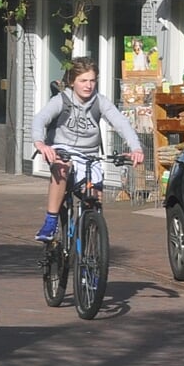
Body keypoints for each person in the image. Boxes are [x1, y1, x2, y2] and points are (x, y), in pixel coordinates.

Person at [32, 58, 144, 241]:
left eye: (92, 80)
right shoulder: (61, 100)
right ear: (72, 82)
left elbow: (121, 123)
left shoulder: (100, 102)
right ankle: (50, 221)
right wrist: (40, 143)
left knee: (94, 199)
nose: (88, 85)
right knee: (61, 166)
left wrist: (136, 148)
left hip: (89, 155)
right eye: (83, 81)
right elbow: (40, 119)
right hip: (63, 149)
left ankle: (90, 250)